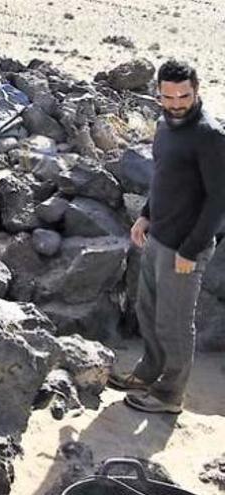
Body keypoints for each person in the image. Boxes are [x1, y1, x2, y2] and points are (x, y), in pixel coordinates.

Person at [108, 60, 225, 414]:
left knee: (174, 323)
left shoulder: (209, 135)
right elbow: (162, 178)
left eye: (183, 96)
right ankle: (149, 372)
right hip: (158, 236)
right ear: (158, 92)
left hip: (185, 247)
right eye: (168, 96)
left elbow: (219, 199)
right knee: (148, 310)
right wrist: (145, 215)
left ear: (197, 90)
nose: (176, 103)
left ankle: (170, 395)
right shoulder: (164, 124)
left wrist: (190, 249)